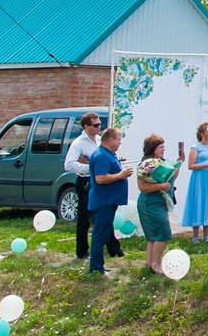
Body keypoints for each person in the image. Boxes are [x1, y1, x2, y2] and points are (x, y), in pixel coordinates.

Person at [71, 113, 124, 263]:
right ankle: (82, 251)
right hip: (85, 182)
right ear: (86, 126)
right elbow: (69, 164)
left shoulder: (101, 141)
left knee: (104, 219)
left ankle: (113, 248)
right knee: (84, 219)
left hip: (99, 184)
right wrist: (91, 167)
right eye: (95, 125)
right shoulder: (78, 143)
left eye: (100, 125)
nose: (99, 127)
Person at [86, 127, 133, 276]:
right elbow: (101, 178)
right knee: (100, 234)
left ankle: (99, 265)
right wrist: (121, 175)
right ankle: (95, 267)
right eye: (118, 139)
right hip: (103, 202)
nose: (120, 143)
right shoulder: (101, 156)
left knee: (105, 233)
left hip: (108, 201)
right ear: (111, 139)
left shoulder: (108, 154)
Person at [133, 133, 178, 276]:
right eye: (160, 147)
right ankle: (156, 263)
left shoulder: (162, 162)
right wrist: (160, 186)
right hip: (150, 203)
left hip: (159, 202)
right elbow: (142, 186)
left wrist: (178, 164)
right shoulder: (146, 165)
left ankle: (149, 262)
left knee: (154, 235)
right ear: (152, 148)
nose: (163, 149)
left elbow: (170, 178)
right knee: (163, 234)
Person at [181, 122, 208, 243]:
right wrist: (205, 165)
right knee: (198, 202)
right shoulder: (196, 147)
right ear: (202, 133)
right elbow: (191, 165)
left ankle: (206, 234)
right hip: (199, 179)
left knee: (207, 202)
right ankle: (195, 235)